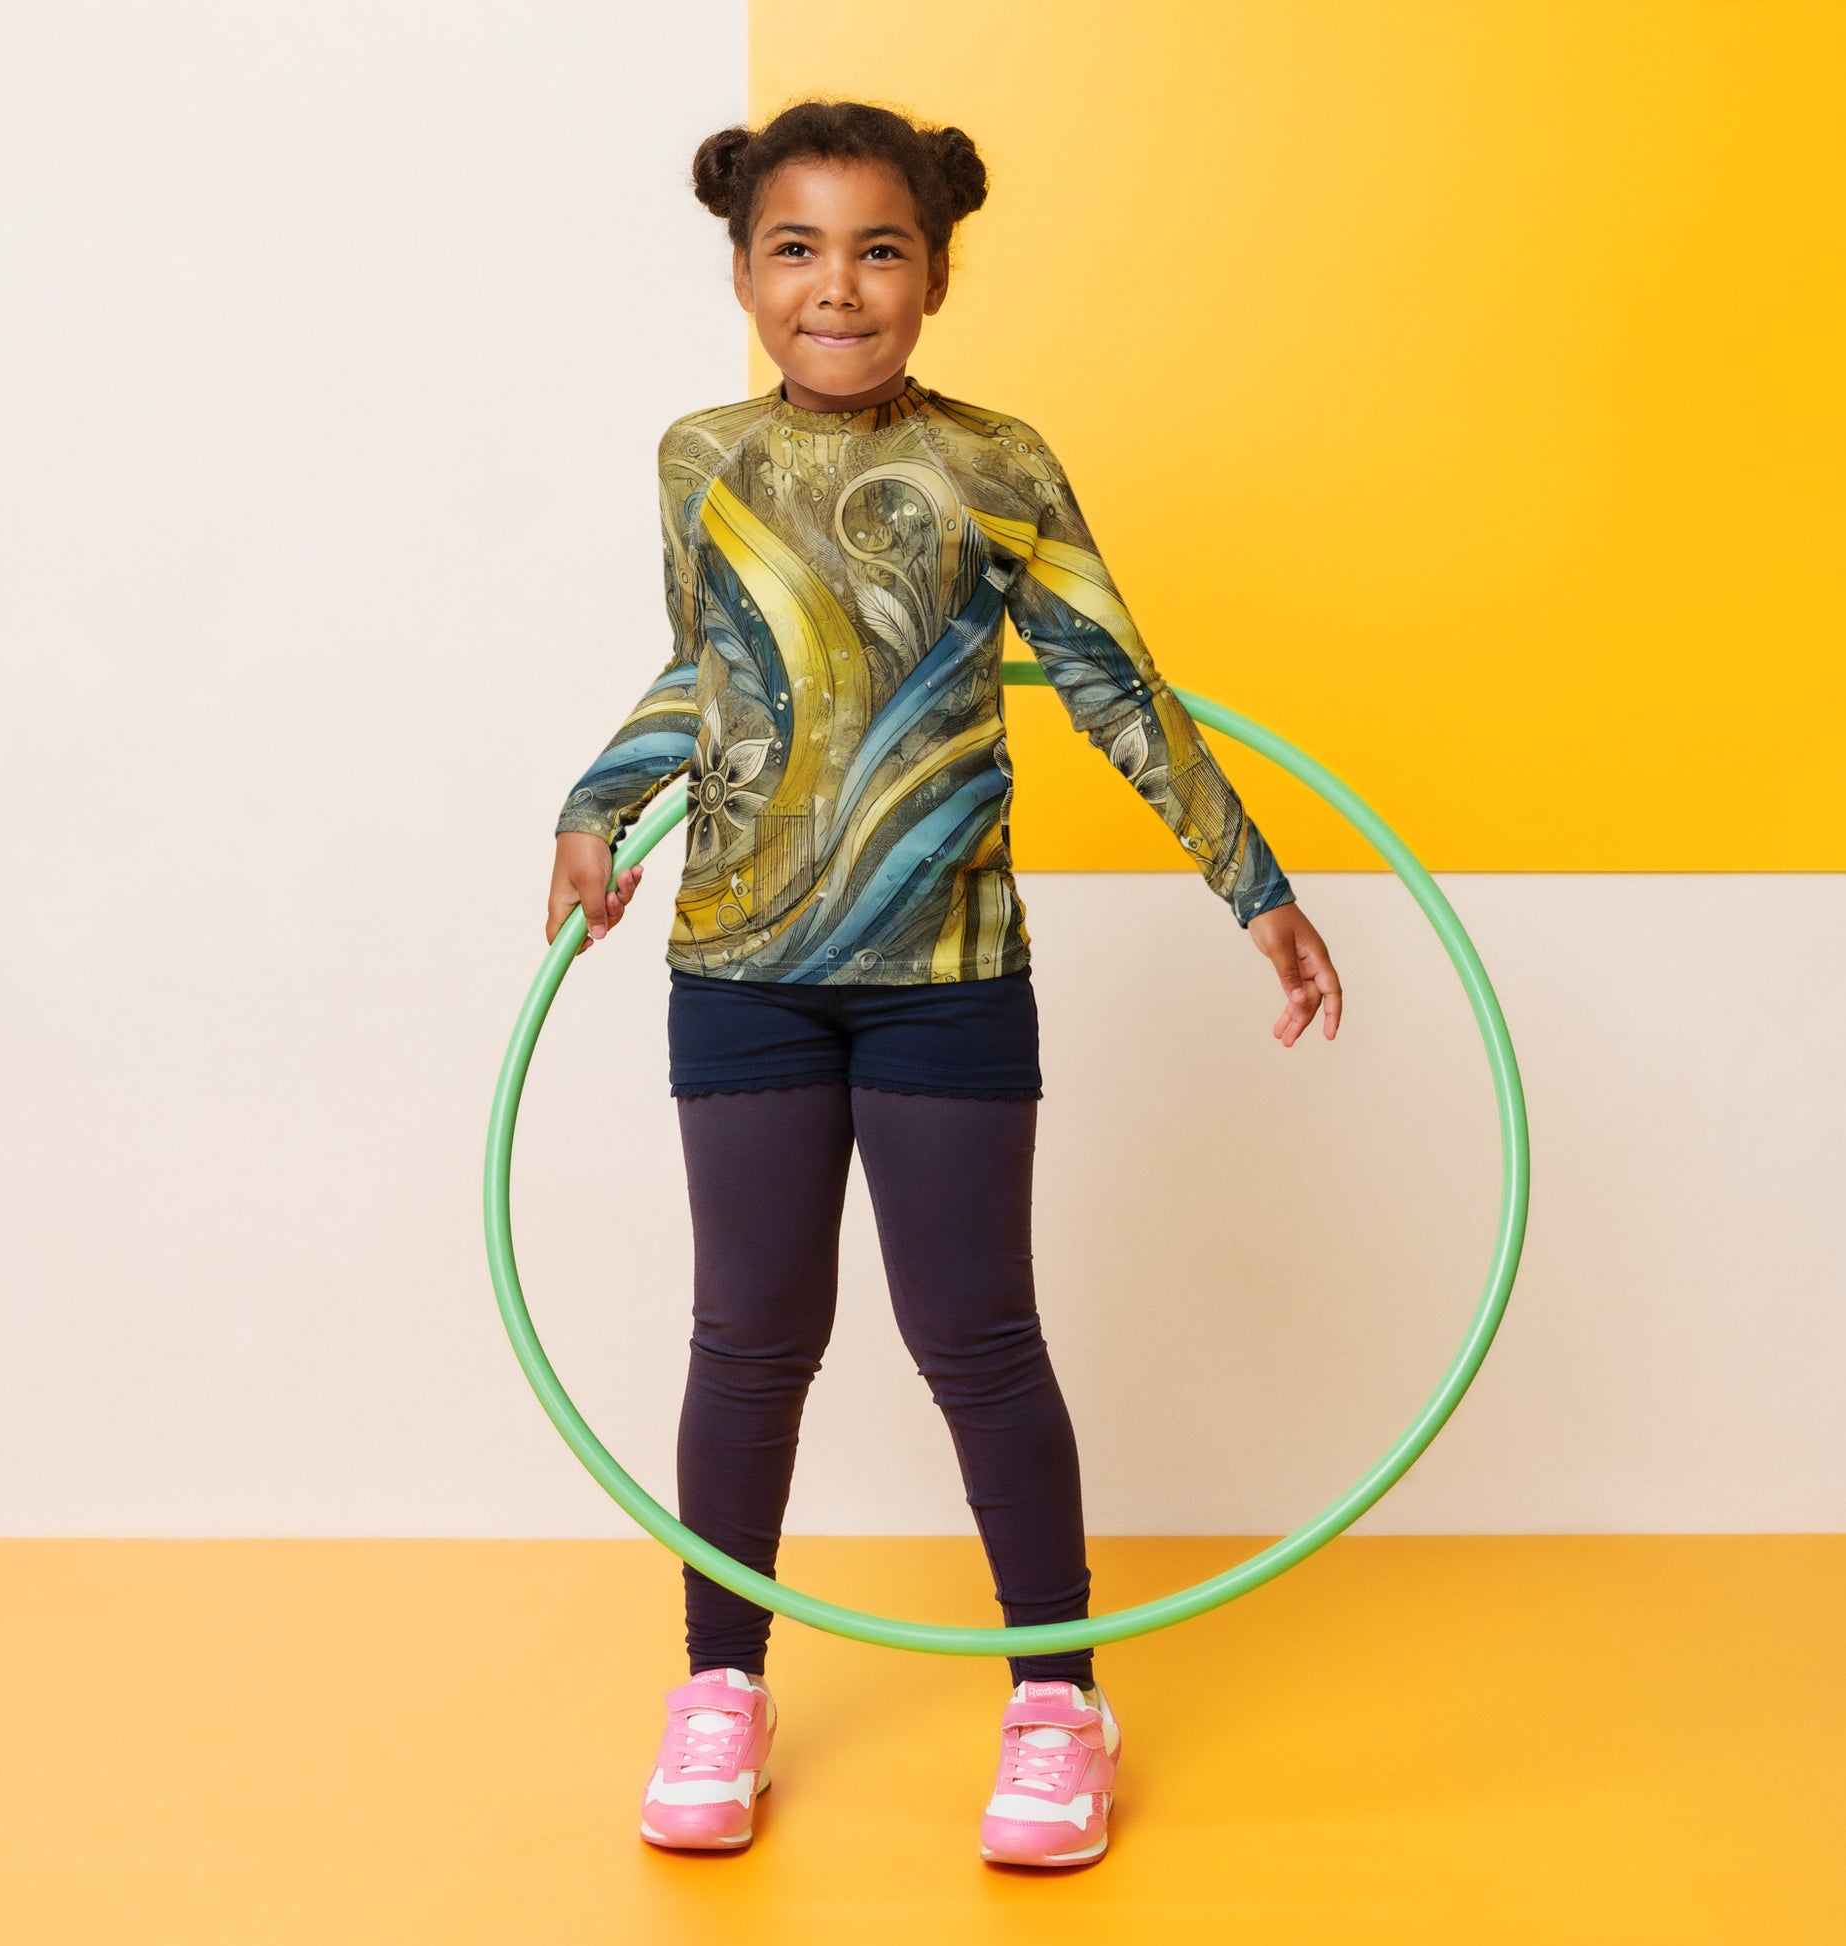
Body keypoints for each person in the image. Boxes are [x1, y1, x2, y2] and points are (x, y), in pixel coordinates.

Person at [545, 98, 1343, 1869]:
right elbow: (707, 675)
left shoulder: (1000, 460)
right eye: (796, 248)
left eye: (878, 248)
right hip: (742, 963)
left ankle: (1055, 1697)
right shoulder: (699, 455)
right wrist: (596, 803)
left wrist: (1252, 888)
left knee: (973, 1335)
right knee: (749, 1338)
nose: (837, 286)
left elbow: (1118, 682)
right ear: (745, 270)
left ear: (935, 273)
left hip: (949, 974)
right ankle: (718, 1683)